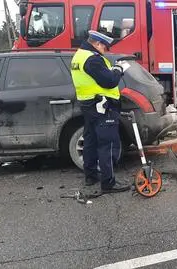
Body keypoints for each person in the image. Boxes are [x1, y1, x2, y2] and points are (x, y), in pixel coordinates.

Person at [70, 30, 130, 193]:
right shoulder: (92, 59)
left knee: (90, 140)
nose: (106, 49)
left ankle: (91, 176)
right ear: (96, 43)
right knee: (108, 144)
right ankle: (108, 183)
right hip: (103, 107)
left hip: (88, 106)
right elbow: (110, 82)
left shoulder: (79, 56)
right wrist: (118, 68)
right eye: (104, 46)